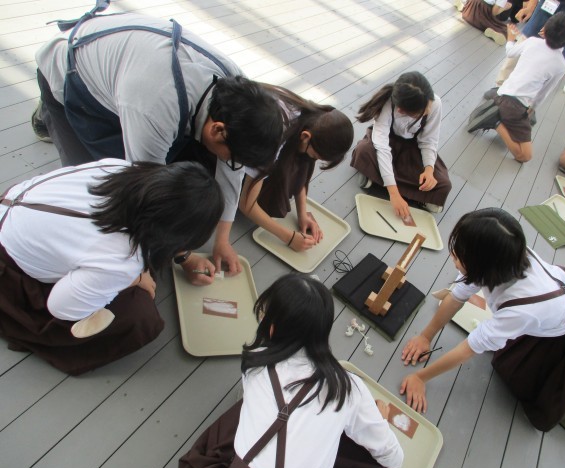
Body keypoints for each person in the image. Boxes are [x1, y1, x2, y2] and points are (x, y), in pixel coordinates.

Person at [32, 3, 283, 275]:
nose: (231, 165)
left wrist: (221, 241)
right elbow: (147, 192)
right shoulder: (154, 109)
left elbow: (232, 172)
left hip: (125, 71)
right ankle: (49, 111)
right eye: (232, 159)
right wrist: (184, 257)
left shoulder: (236, 91)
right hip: (69, 70)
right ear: (218, 130)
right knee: (94, 182)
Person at [399, 208, 565, 456]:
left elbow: (467, 350)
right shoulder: (498, 257)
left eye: (459, 254)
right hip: (563, 302)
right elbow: (456, 297)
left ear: (482, 263)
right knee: (525, 369)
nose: (453, 256)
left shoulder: (519, 310)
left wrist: (421, 377)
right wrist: (425, 336)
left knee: (552, 390)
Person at [0, 159, 223, 375]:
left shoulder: (121, 168)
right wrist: (134, 279)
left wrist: (185, 257)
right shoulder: (120, 259)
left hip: (12, 205)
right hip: (9, 265)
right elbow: (61, 308)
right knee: (141, 317)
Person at [178, 274, 404, 468]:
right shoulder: (349, 388)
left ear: (272, 329)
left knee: (237, 416)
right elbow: (394, 459)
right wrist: (380, 420)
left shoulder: (256, 362)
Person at [239, 86, 354, 251]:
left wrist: (302, 214)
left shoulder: (314, 118)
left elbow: (302, 168)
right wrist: (289, 237)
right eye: (315, 156)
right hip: (234, 146)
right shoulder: (273, 138)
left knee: (300, 158)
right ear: (306, 136)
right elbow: (246, 205)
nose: (312, 159)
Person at [468, 14, 565, 162]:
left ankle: (497, 109)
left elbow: (510, 52)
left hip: (502, 92)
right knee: (525, 156)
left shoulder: (532, 42)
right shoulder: (561, 66)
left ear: (544, 29)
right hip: (515, 106)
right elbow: (543, 93)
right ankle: (495, 122)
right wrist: (532, 109)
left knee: (523, 118)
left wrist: (511, 39)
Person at [351, 72, 451, 217]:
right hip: (387, 143)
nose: (428, 111)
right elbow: (382, 146)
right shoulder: (388, 103)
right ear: (401, 110)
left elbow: (429, 141)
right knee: (364, 151)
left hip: (412, 149)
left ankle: (376, 178)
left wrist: (429, 170)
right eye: (422, 112)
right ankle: (410, 191)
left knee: (443, 184)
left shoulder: (435, 103)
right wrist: (394, 194)